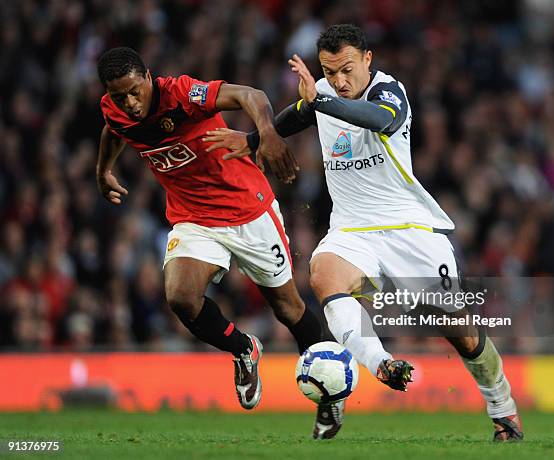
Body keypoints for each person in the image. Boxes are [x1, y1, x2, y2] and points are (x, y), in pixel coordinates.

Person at [204, 24, 523, 442]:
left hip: (410, 229)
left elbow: (378, 120)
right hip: (352, 229)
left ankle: (502, 408)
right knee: (322, 273)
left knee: (459, 331)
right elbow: (300, 114)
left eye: (347, 69)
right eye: (329, 71)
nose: (338, 80)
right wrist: (252, 138)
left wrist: (322, 100)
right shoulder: (323, 91)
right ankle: (381, 364)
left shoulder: (390, 93)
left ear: (368, 60)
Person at [95, 47, 322, 411]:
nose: (130, 103)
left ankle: (327, 387)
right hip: (193, 218)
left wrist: (266, 133)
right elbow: (114, 129)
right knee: (180, 296)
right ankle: (244, 349)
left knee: (288, 309)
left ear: (149, 77)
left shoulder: (182, 95)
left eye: (135, 91)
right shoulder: (114, 108)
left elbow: (251, 95)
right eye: (119, 95)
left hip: (248, 210)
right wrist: (104, 169)